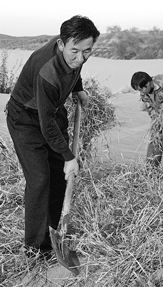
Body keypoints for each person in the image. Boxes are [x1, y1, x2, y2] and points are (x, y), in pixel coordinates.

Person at [6, 15, 99, 258]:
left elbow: (76, 68)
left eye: (87, 51)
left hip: (52, 111)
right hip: (25, 118)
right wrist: (69, 156)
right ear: (60, 45)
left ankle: (53, 237)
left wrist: (77, 89)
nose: (80, 58)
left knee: (59, 178)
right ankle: (34, 248)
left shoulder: (76, 49)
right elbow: (46, 126)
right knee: (39, 179)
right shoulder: (46, 71)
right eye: (75, 52)